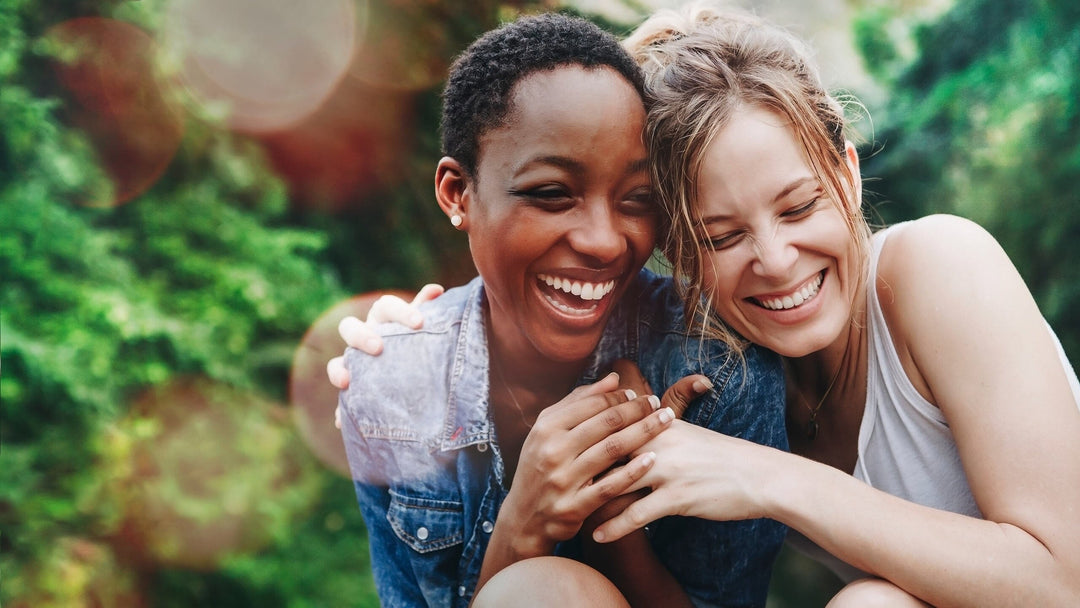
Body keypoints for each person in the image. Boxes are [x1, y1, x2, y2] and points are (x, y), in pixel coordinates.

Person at [580, 4, 1080, 607]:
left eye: (797, 208)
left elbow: (1062, 581)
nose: (778, 260)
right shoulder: (727, 381)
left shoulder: (940, 265)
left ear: (846, 173)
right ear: (679, 253)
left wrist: (770, 479)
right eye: (723, 237)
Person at [333, 13, 788, 608]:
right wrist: (523, 526)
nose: (604, 241)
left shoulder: (717, 371)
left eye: (638, 199)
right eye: (551, 194)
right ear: (457, 193)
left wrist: (614, 515)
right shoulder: (388, 388)